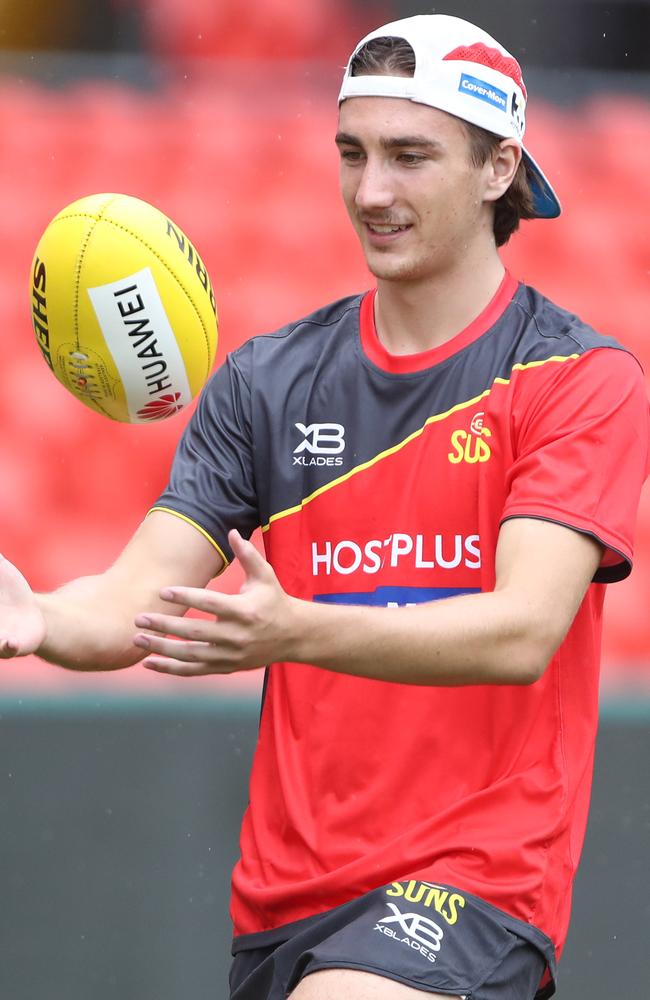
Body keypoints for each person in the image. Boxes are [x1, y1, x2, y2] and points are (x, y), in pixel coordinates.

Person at [1, 12, 648, 1000]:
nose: (369, 191)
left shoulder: (574, 379)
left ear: (496, 167)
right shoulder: (265, 383)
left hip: (471, 888)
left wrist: (292, 628)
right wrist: (39, 616)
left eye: (408, 155)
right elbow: (136, 596)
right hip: (282, 904)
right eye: (351, 153)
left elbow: (521, 630)